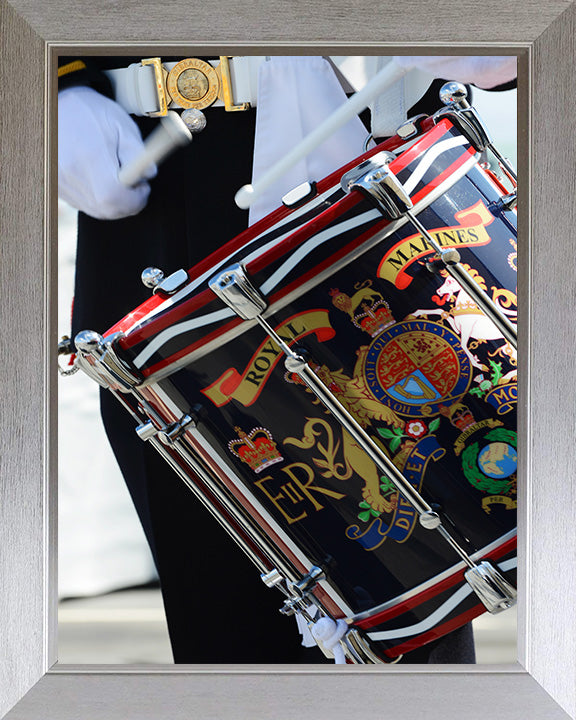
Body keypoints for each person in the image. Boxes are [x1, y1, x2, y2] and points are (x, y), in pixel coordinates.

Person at [58, 54, 516, 664]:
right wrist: (50, 83)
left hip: (354, 161)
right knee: (220, 625)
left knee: (412, 576)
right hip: (150, 173)